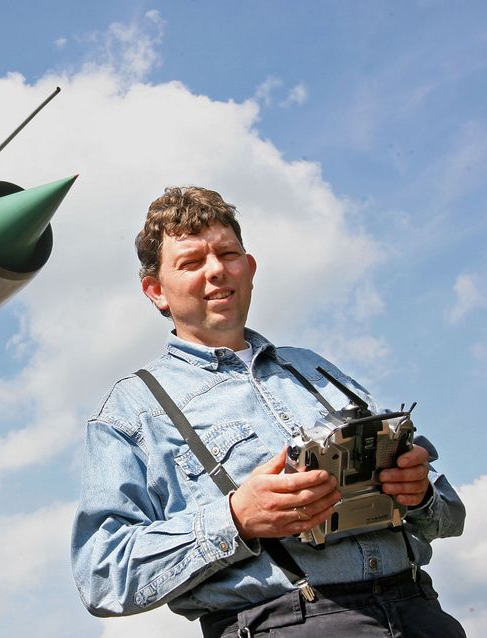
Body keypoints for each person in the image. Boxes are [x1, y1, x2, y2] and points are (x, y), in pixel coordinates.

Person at [70, 186, 466, 637]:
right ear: (156, 291)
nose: (216, 270)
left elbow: (451, 515)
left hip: (421, 613)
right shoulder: (131, 410)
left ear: (250, 267)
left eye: (227, 253)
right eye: (192, 262)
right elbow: (101, 575)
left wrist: (420, 494)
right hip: (284, 624)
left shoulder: (319, 369)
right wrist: (235, 517)